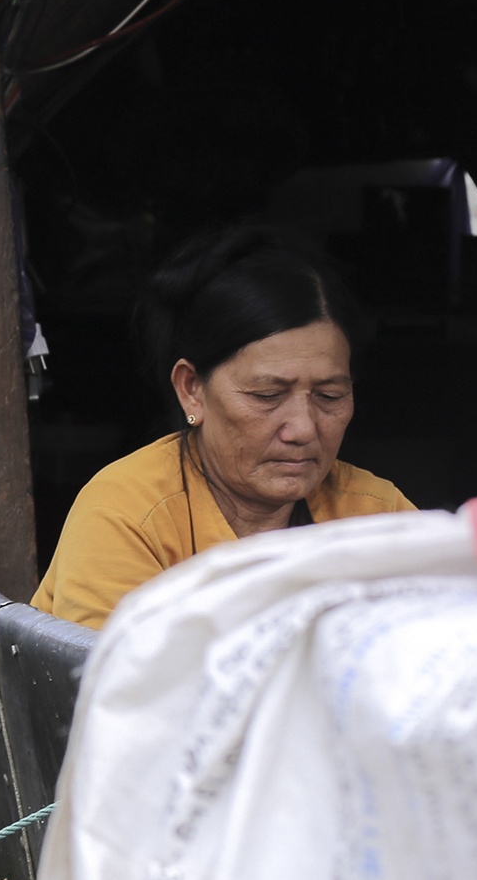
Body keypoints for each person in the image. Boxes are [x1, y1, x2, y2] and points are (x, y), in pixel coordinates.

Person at [33, 227, 414, 628]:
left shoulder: (377, 517)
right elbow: (112, 667)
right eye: (267, 395)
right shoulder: (125, 516)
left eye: (330, 396)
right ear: (192, 390)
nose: (304, 429)